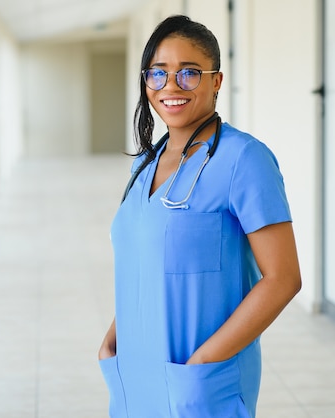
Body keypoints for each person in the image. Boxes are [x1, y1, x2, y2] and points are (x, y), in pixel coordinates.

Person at [98, 15, 301, 418]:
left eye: (189, 73)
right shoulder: (147, 163)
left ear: (217, 81)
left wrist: (206, 360)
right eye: (158, 73)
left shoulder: (243, 159)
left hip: (199, 381)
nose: (171, 86)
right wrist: (113, 339)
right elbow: (147, 261)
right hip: (134, 375)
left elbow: (283, 280)